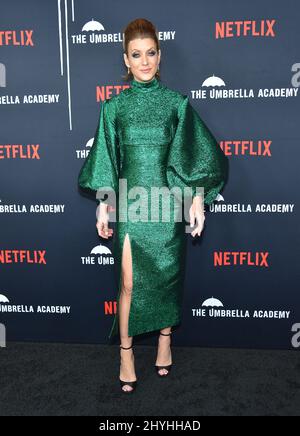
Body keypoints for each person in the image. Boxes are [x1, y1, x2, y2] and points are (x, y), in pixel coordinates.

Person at [78, 18, 229, 393]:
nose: (144, 61)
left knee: (166, 278)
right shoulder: (113, 108)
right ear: (125, 60)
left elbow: (196, 159)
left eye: (150, 53)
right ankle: (126, 353)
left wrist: (197, 201)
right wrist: (103, 205)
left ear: (159, 57)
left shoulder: (177, 105)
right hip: (131, 206)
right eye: (135, 54)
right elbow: (107, 162)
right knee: (128, 283)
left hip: (166, 204)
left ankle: (165, 342)